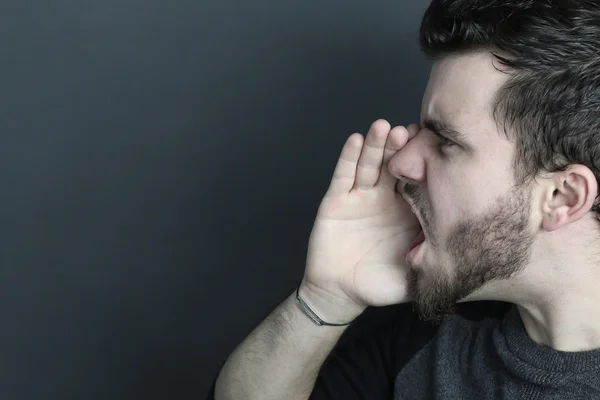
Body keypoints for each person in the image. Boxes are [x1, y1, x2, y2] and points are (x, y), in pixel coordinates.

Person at [209, 0, 600, 398]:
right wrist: (327, 300)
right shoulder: (431, 333)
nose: (402, 161)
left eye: (446, 141)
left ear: (561, 197)